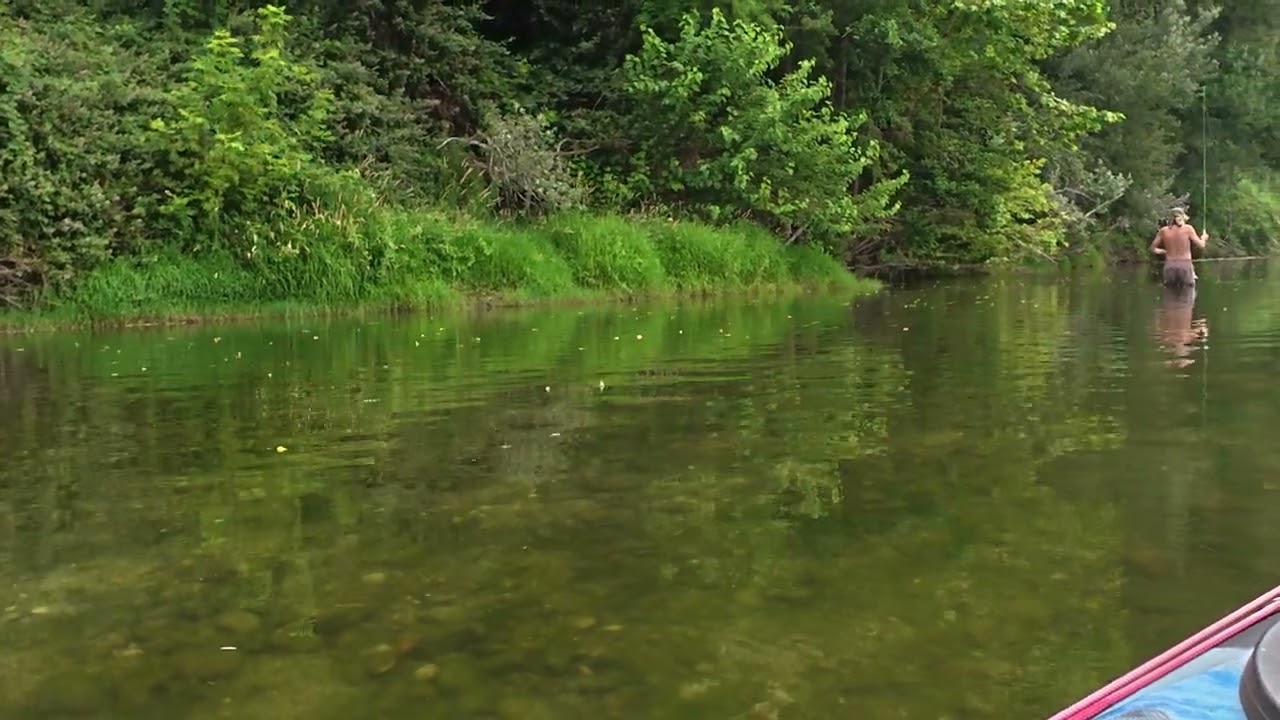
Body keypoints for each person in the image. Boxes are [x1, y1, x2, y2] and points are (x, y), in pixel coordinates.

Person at [1149, 207, 1208, 286]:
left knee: (1170, 294)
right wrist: (1203, 238)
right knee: (1188, 293)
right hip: (1185, 266)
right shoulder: (1188, 229)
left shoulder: (1163, 231)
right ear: (1182, 217)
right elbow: (1201, 246)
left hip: (1169, 266)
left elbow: (1152, 248)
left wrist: (1164, 251)